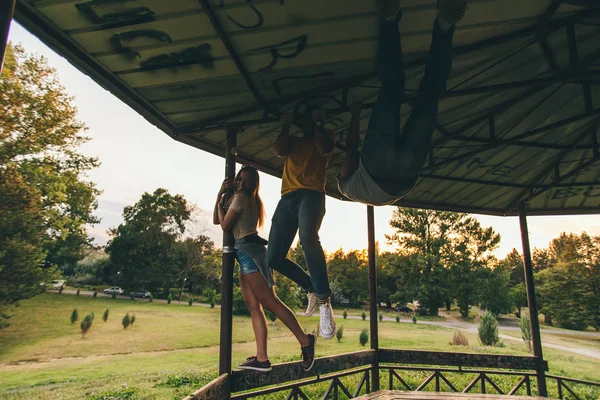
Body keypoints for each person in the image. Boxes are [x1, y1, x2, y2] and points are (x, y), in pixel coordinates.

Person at [337, 0, 468, 206]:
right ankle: (389, 20)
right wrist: (355, 114)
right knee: (392, 87)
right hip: (375, 167)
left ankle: (445, 25)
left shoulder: (376, 194)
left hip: (405, 176)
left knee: (431, 96)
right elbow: (351, 147)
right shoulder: (346, 188)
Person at [214, 165, 316, 372]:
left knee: (270, 302)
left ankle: (305, 341)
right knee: (254, 306)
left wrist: (219, 201)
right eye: (240, 179)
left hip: (250, 254)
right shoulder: (238, 197)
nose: (242, 183)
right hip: (243, 255)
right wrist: (220, 196)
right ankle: (262, 359)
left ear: (254, 184)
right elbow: (218, 219)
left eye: (247, 180)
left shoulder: (243, 198)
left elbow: (224, 225)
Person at [266, 105, 337, 340]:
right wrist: (286, 122)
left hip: (312, 194)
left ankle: (325, 301)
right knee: (273, 257)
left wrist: (318, 123)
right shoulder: (293, 141)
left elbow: (325, 147)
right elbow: (279, 149)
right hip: (287, 197)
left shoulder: (325, 138)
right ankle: (312, 288)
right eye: (304, 121)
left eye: (310, 121)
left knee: (308, 237)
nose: (306, 124)